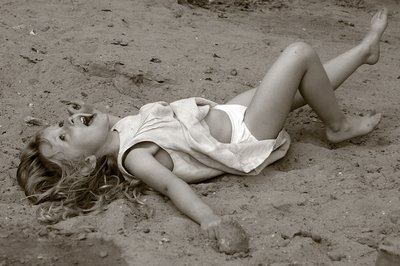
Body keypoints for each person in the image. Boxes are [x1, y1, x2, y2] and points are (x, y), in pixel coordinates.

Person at [17, 9, 388, 237]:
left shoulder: (122, 130)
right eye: (65, 134)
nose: (67, 120)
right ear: (83, 162)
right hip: (244, 135)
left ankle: (362, 52)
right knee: (298, 54)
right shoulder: (135, 156)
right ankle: (338, 126)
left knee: (304, 83)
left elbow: (123, 127)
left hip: (229, 115)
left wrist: (85, 124)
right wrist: (208, 218)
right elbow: (172, 186)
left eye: (60, 123)